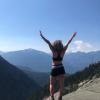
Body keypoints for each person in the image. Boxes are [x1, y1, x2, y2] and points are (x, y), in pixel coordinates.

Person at [40, 31, 77, 100]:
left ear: (55, 45)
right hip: (61, 68)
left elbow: (48, 42)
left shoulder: (54, 52)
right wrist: (73, 36)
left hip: (54, 68)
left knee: (51, 84)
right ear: (61, 45)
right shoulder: (63, 51)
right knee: (61, 85)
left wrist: (42, 36)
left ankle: (52, 97)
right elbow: (69, 42)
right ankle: (60, 97)